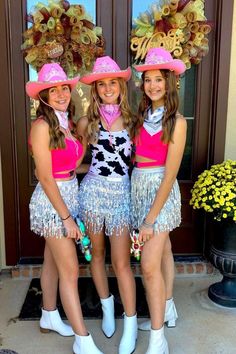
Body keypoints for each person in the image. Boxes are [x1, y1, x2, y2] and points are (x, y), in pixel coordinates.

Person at [26, 63, 103, 354]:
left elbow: (71, 166)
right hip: (52, 203)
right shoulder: (42, 126)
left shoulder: (66, 124)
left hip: (69, 194)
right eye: (53, 89)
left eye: (64, 88)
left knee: (51, 261)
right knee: (70, 270)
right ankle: (83, 340)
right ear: (43, 95)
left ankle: (48, 315)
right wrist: (67, 218)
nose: (60, 93)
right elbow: (45, 176)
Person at [77, 56, 137, 354]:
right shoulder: (87, 122)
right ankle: (107, 308)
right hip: (92, 194)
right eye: (103, 84)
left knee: (122, 261)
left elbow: (143, 161)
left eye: (113, 82)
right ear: (96, 89)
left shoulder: (134, 121)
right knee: (96, 254)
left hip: (121, 197)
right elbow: (73, 159)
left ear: (121, 85)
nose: (108, 88)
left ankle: (130, 321)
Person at [131, 47, 187, 354]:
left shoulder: (177, 121)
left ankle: (157, 338)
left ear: (169, 82)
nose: (153, 85)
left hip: (161, 196)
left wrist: (150, 219)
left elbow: (169, 175)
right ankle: (167, 309)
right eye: (148, 79)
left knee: (149, 266)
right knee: (164, 252)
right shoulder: (141, 116)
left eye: (158, 79)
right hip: (139, 188)